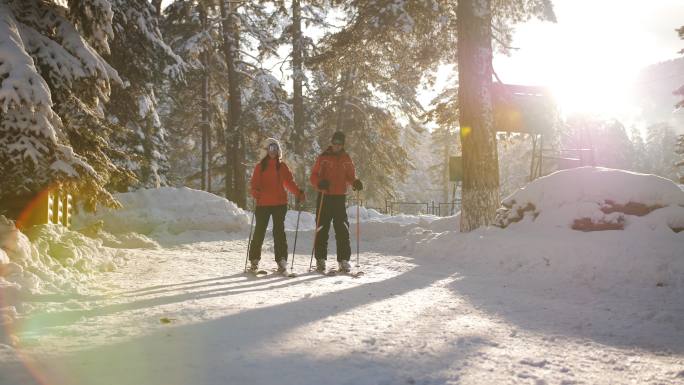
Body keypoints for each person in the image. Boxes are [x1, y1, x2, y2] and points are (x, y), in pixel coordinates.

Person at [248, 138, 305, 273]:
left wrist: (298, 193)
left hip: (279, 204)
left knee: (279, 232)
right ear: (266, 150)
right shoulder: (260, 167)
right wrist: (255, 192)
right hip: (263, 203)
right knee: (259, 232)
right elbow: (254, 184)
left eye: (275, 149)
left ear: (278, 151)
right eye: (270, 148)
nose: (273, 151)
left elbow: (289, 182)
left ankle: (281, 260)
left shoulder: (282, 166)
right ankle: (254, 260)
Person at [310, 131, 363, 273]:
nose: (336, 146)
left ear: (343, 144)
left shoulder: (346, 158)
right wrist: (320, 183)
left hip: (339, 197)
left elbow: (350, 177)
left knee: (342, 228)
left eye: (339, 143)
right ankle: (320, 260)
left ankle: (343, 260)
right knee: (322, 228)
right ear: (331, 143)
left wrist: (355, 182)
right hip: (324, 197)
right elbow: (314, 176)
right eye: (335, 143)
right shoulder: (323, 157)